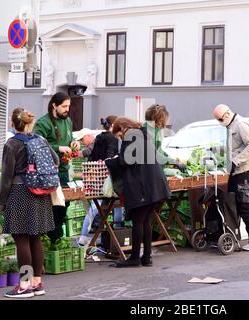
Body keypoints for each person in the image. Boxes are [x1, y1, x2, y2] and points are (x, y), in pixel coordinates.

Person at [0, 108, 58, 298]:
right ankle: (37, 283)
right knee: (35, 238)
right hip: (40, 193)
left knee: (21, 240)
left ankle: (24, 285)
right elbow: (56, 160)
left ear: (13, 123)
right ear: (29, 122)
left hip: (19, 192)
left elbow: (6, 177)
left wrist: (2, 203)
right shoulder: (40, 140)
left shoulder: (12, 144)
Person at [105, 117, 171, 267]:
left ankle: (135, 257)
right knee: (146, 221)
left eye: (119, 135)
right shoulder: (143, 134)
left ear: (122, 129)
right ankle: (146, 257)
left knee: (138, 221)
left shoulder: (131, 136)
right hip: (156, 184)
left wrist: (110, 161)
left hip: (143, 186)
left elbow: (125, 160)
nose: (121, 138)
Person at [213, 104, 249, 251]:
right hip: (237, 171)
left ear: (227, 115)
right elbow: (234, 148)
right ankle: (235, 236)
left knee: (244, 204)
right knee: (234, 203)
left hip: (245, 170)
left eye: (220, 119)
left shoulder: (240, 124)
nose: (219, 122)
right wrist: (216, 150)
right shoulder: (230, 125)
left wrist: (237, 160)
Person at [34, 92, 80, 244]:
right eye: (64, 106)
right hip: (48, 172)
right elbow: (36, 146)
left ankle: (56, 237)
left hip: (64, 170)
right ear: (54, 105)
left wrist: (74, 143)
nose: (67, 109)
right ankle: (49, 237)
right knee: (51, 205)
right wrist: (58, 148)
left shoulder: (68, 121)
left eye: (69, 106)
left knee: (63, 204)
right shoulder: (43, 123)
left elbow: (70, 138)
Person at [78, 116, 122, 246]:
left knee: (94, 207)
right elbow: (109, 158)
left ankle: (83, 237)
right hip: (110, 177)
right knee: (117, 206)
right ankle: (118, 235)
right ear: (113, 125)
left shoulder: (98, 137)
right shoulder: (113, 138)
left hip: (96, 177)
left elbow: (91, 156)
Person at [144, 104, 182, 168]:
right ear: (160, 119)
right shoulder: (146, 132)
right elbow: (154, 155)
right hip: (150, 170)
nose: (166, 122)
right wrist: (173, 162)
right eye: (165, 119)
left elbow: (160, 151)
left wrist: (169, 157)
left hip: (157, 168)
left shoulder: (157, 130)